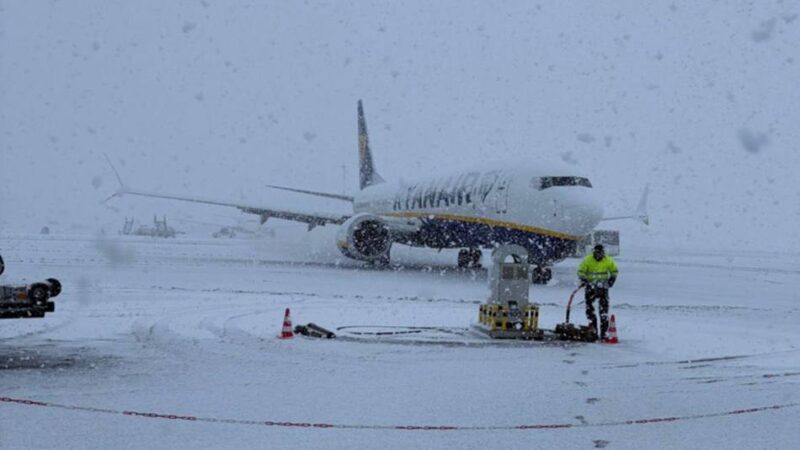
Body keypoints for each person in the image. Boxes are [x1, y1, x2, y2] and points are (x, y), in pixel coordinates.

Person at [577, 244, 618, 341]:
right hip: (590, 287)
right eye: (597, 253)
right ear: (594, 252)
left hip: (603, 288)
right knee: (590, 310)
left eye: (601, 253)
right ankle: (593, 331)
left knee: (603, 311)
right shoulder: (588, 260)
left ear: (603, 253)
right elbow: (580, 271)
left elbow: (614, 271)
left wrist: (611, 281)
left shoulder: (608, 260)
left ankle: (604, 333)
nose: (599, 255)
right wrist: (584, 280)